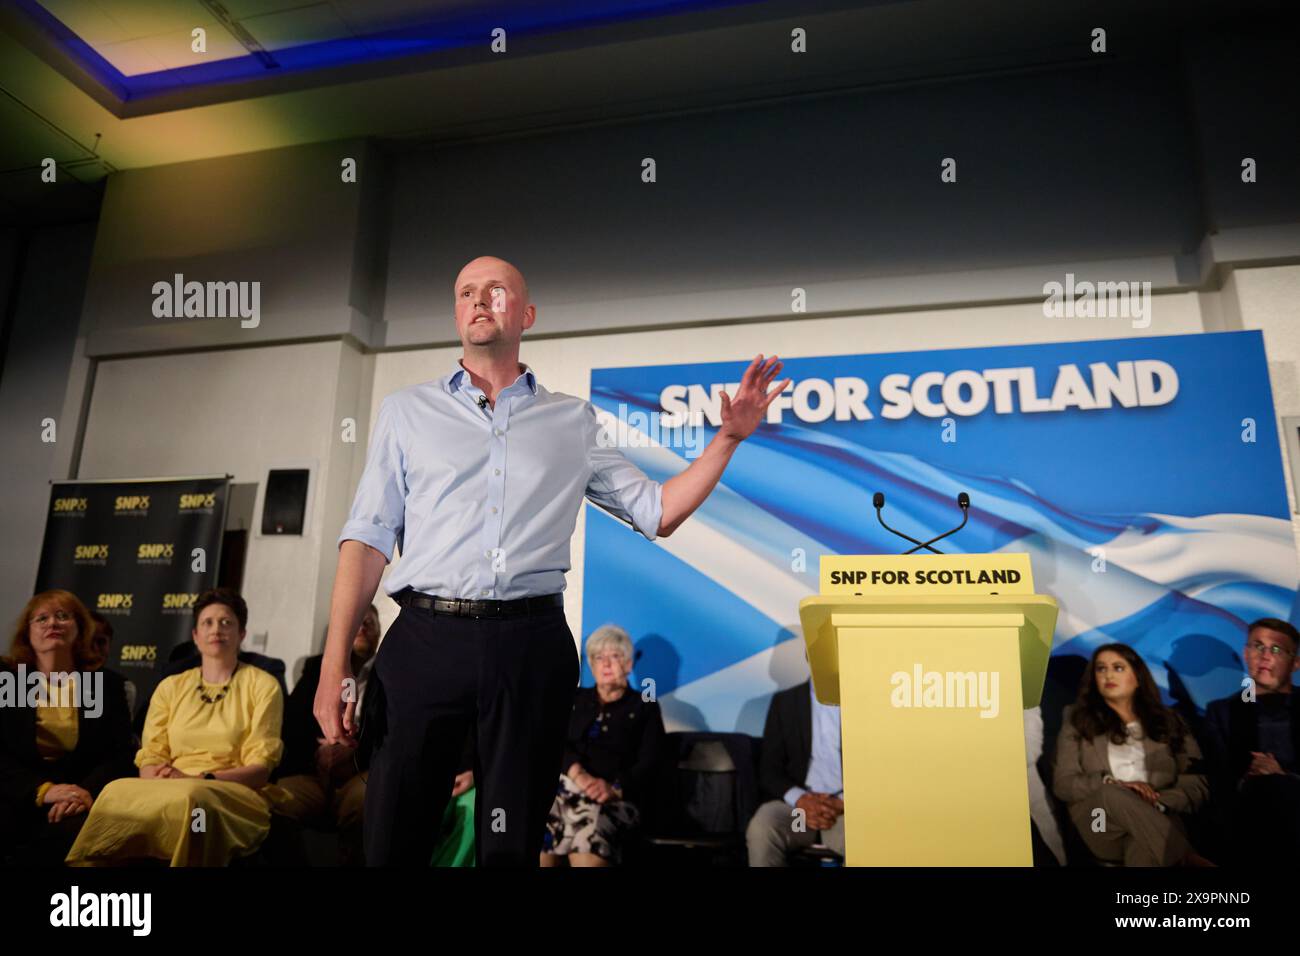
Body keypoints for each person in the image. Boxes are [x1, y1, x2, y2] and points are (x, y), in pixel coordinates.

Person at [315, 255, 788, 866]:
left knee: (510, 846)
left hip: (529, 646)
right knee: (392, 837)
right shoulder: (406, 412)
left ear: (527, 314)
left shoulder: (572, 421)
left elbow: (658, 512)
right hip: (424, 641)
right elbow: (367, 540)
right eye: (466, 292)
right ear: (457, 313)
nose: (480, 300)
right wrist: (334, 668)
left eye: (496, 290)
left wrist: (727, 439)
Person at [65, 588, 284, 866]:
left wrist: (204, 778)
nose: (216, 629)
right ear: (195, 635)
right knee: (115, 791)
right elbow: (152, 753)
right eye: (207, 622)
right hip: (169, 782)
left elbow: (260, 769)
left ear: (241, 634)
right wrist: (157, 776)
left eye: (226, 622)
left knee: (193, 799)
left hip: (230, 790)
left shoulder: (263, 685)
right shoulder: (171, 686)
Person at [0, 590, 135, 866]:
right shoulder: (9, 681)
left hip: (79, 799)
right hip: (15, 794)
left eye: (63, 616)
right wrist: (43, 790)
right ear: (27, 633)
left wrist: (81, 793)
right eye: (42, 618)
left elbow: (120, 756)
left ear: (80, 629)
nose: (53, 623)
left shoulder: (106, 685)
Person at [1052, 643, 1211, 866]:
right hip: (1100, 822)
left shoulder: (1170, 720)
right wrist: (1111, 783)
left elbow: (1197, 782)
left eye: (1118, 667)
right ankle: (1189, 860)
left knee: (1144, 844)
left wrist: (1158, 802)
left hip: (1160, 815)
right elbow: (1063, 784)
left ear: (1138, 677)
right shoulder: (1077, 719)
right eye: (1100, 668)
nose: (1108, 674)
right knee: (1111, 793)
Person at [541, 624, 664, 867]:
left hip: (613, 799)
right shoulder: (574, 700)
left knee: (591, 834)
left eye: (614, 657)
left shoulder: (644, 707)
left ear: (629, 665)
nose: (606, 664)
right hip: (564, 789)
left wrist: (614, 788)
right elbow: (552, 743)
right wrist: (580, 775)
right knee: (535, 823)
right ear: (591, 665)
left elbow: (652, 762)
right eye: (599, 657)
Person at [274, 605, 379, 865]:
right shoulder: (314, 670)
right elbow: (291, 726)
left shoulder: (388, 675)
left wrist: (356, 753)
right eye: (358, 622)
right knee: (276, 800)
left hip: (362, 772)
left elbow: (393, 733)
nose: (363, 627)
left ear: (378, 633)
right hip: (314, 773)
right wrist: (318, 753)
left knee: (367, 802)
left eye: (370, 623)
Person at [1203, 617, 1300, 860]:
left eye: (1276, 649)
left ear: (1295, 663)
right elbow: (1216, 781)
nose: (1265, 656)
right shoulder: (1221, 712)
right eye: (1258, 646)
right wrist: (1247, 778)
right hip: (1245, 816)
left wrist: (1284, 777)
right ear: (1246, 654)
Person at [746, 678, 845, 866]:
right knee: (765, 826)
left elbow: (879, 767)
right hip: (798, 815)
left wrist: (841, 803)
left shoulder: (866, 700)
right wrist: (801, 800)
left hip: (843, 814)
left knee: (869, 838)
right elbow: (769, 770)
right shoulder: (786, 701)